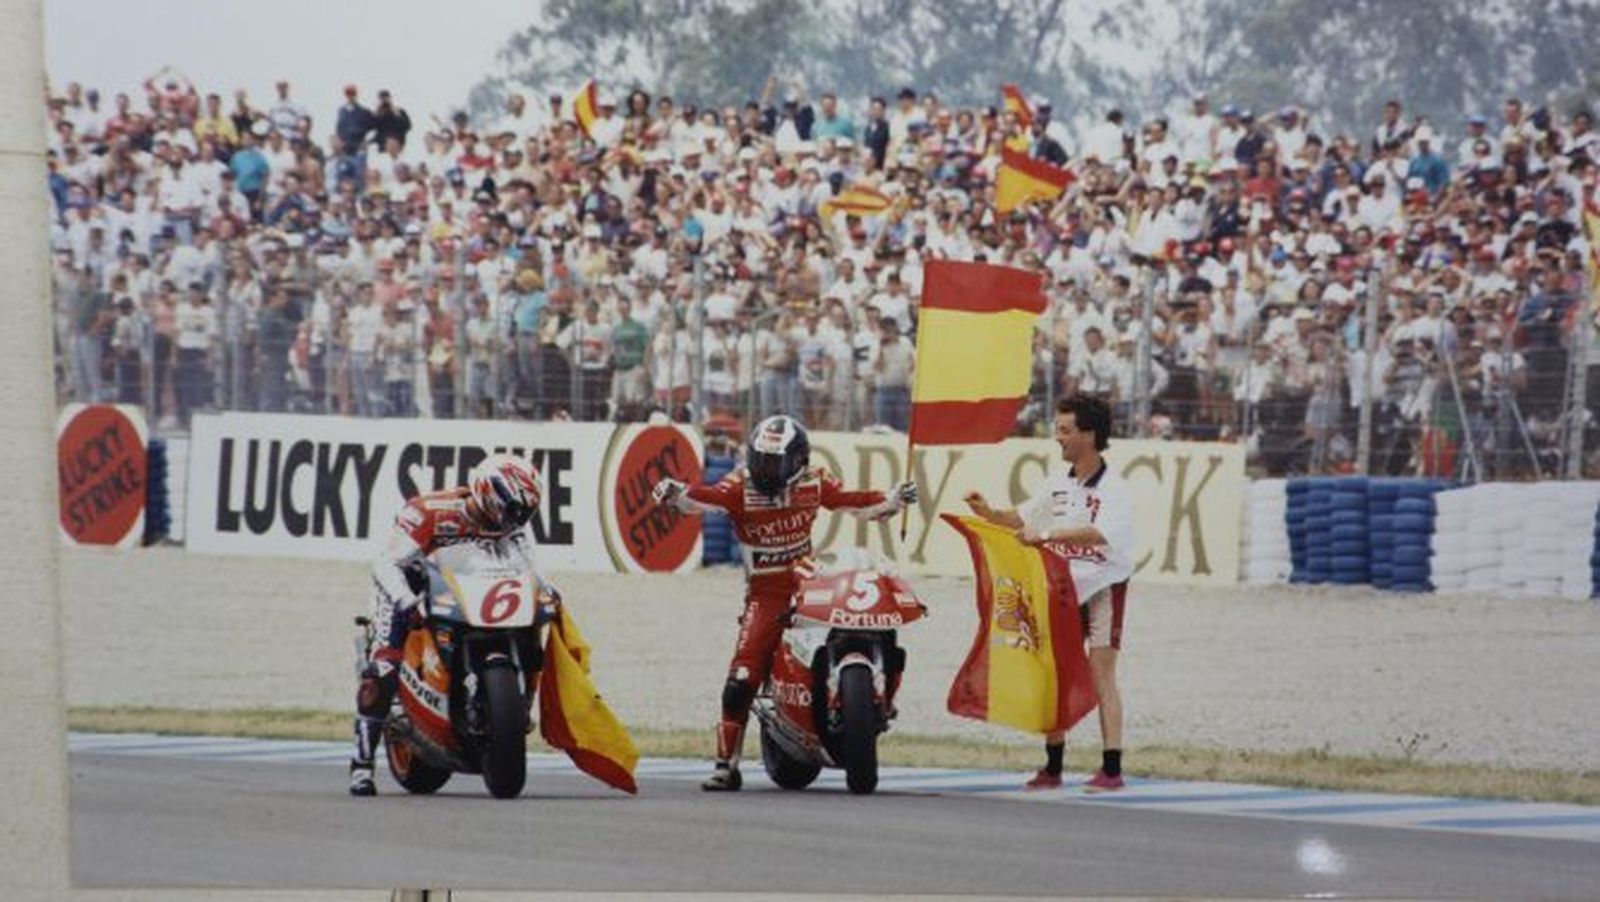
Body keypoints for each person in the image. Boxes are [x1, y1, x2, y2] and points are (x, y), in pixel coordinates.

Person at [650, 414, 918, 791]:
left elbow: (851, 501)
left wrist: (891, 500)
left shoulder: (814, 480)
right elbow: (705, 499)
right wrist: (675, 493)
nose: (766, 470)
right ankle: (726, 765)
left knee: (859, 614)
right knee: (741, 680)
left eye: (775, 462)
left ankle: (874, 695)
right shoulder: (739, 486)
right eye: (761, 459)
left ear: (798, 461)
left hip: (807, 578)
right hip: (766, 592)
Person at [962, 395, 1135, 792]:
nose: (1057, 438)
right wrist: (987, 512)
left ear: (1089, 435)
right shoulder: (1057, 483)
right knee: (1055, 671)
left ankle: (1111, 768)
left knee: (1101, 673)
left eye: (1065, 430)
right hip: (1062, 588)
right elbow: (1018, 519)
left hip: (1106, 585)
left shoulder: (1115, 488)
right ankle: (1053, 767)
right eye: (1057, 429)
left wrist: (1046, 535)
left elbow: (1098, 533)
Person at [349, 453, 543, 796]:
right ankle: (361, 764)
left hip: (469, 593)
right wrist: (406, 602)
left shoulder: (513, 526)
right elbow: (385, 563)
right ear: (488, 492)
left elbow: (529, 569)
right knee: (384, 668)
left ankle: (516, 710)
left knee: (534, 632)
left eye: (525, 512)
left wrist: (546, 593)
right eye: (513, 508)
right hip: (406, 586)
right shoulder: (429, 511)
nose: (518, 518)